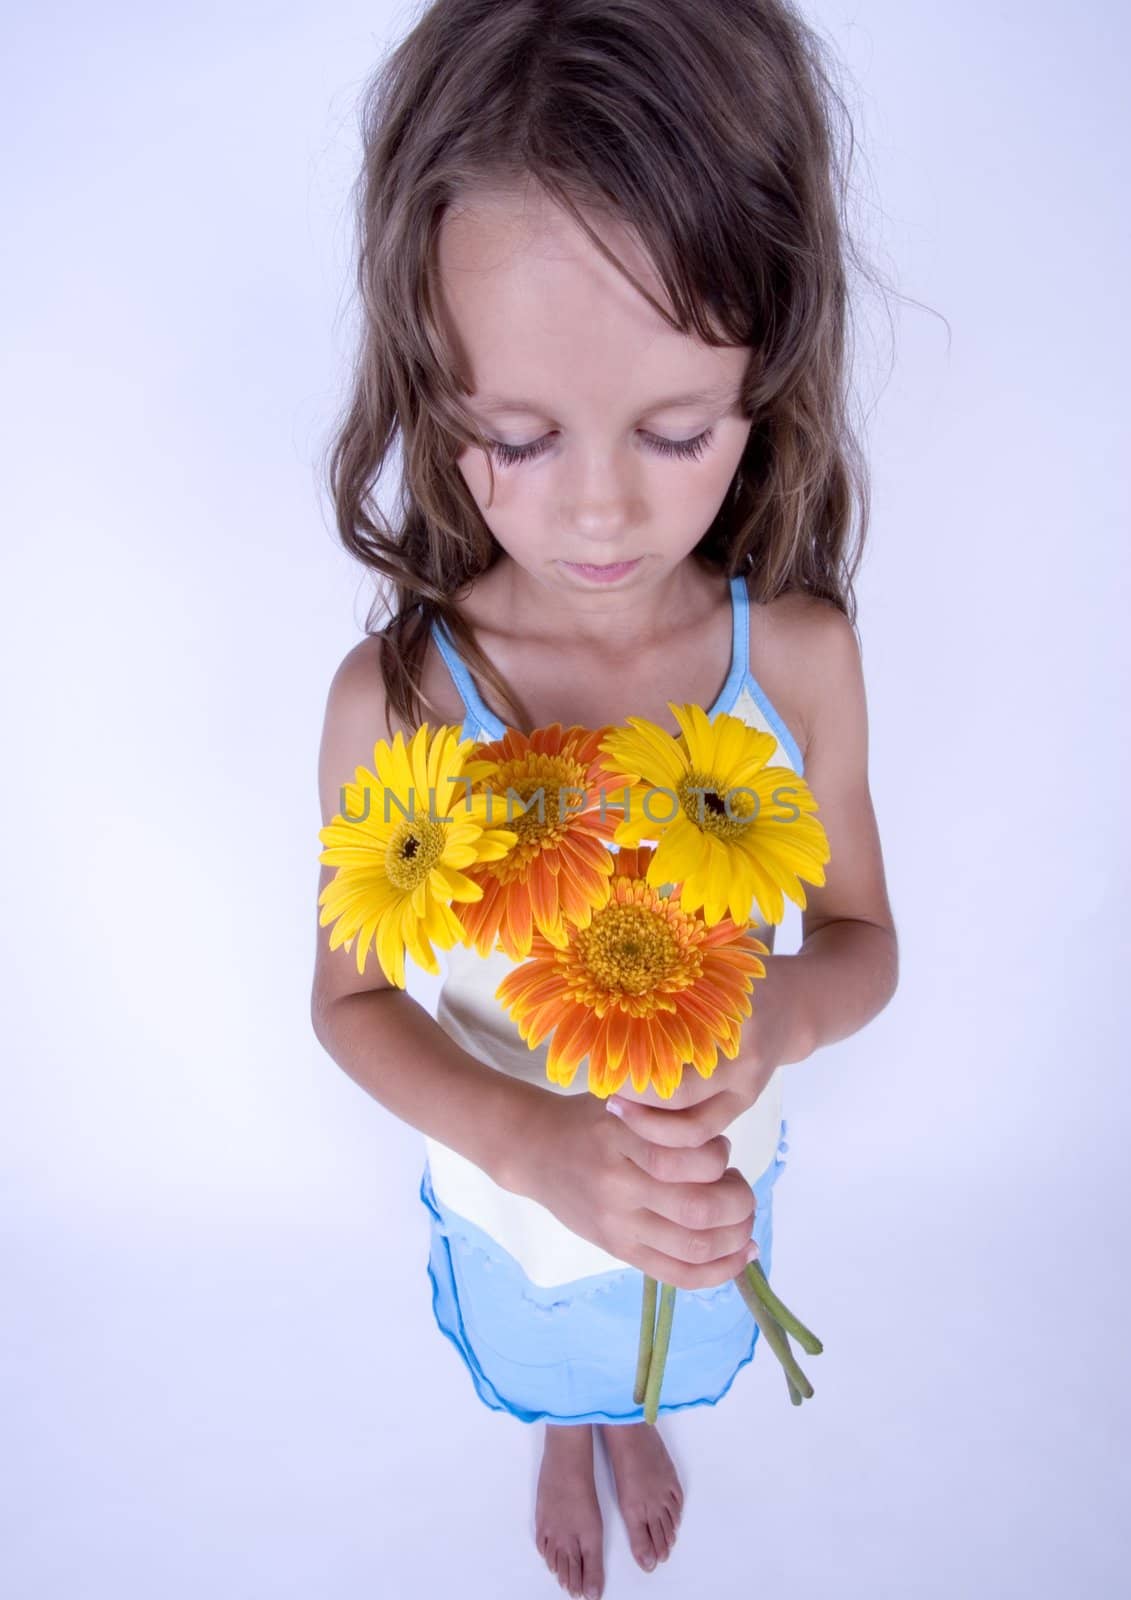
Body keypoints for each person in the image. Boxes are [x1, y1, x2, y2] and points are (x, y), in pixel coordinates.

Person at [310, 3, 899, 1596]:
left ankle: (630, 1406)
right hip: (512, 1179)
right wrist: (531, 1142)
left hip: (703, 1162)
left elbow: (860, 939)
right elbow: (351, 1001)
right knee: (549, 1323)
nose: (594, 506)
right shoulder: (406, 701)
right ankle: (563, 1430)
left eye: (673, 429)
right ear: (430, 385)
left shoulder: (793, 662)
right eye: (514, 432)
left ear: (766, 373)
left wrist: (768, 1022)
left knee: (662, 1310)